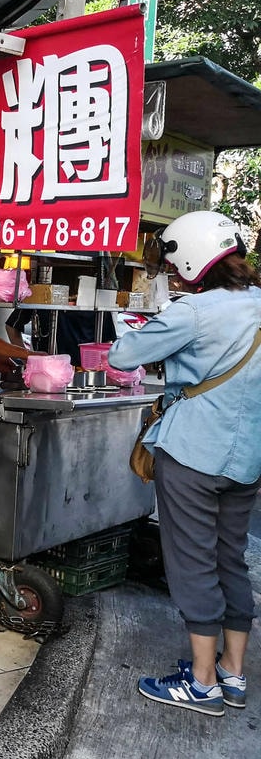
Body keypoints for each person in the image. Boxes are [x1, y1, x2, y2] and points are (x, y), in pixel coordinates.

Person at [109, 210, 259, 717]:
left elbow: (122, 355)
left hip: (193, 454)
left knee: (192, 562)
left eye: (174, 265)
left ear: (193, 258)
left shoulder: (193, 311)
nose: (173, 274)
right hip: (247, 459)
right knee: (229, 558)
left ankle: (201, 682)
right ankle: (232, 673)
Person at [5, 307, 118, 366]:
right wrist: (27, 358)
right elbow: (12, 326)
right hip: (47, 371)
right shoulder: (42, 295)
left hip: (84, 374)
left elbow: (106, 341)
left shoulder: (96, 300)